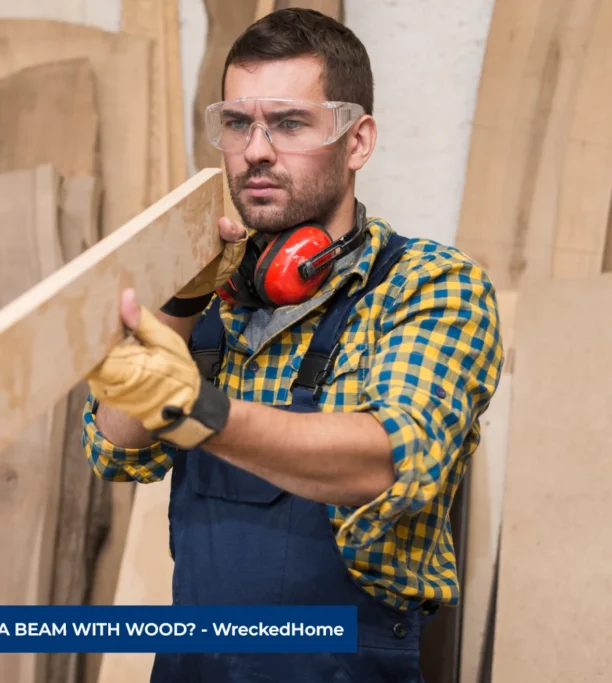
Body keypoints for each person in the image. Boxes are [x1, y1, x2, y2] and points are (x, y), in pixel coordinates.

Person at [81, 7, 504, 682]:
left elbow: (393, 459)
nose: (254, 149)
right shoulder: (209, 295)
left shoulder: (427, 286)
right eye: (238, 123)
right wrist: (182, 303)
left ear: (357, 140)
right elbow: (113, 447)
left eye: (288, 123)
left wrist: (198, 408)